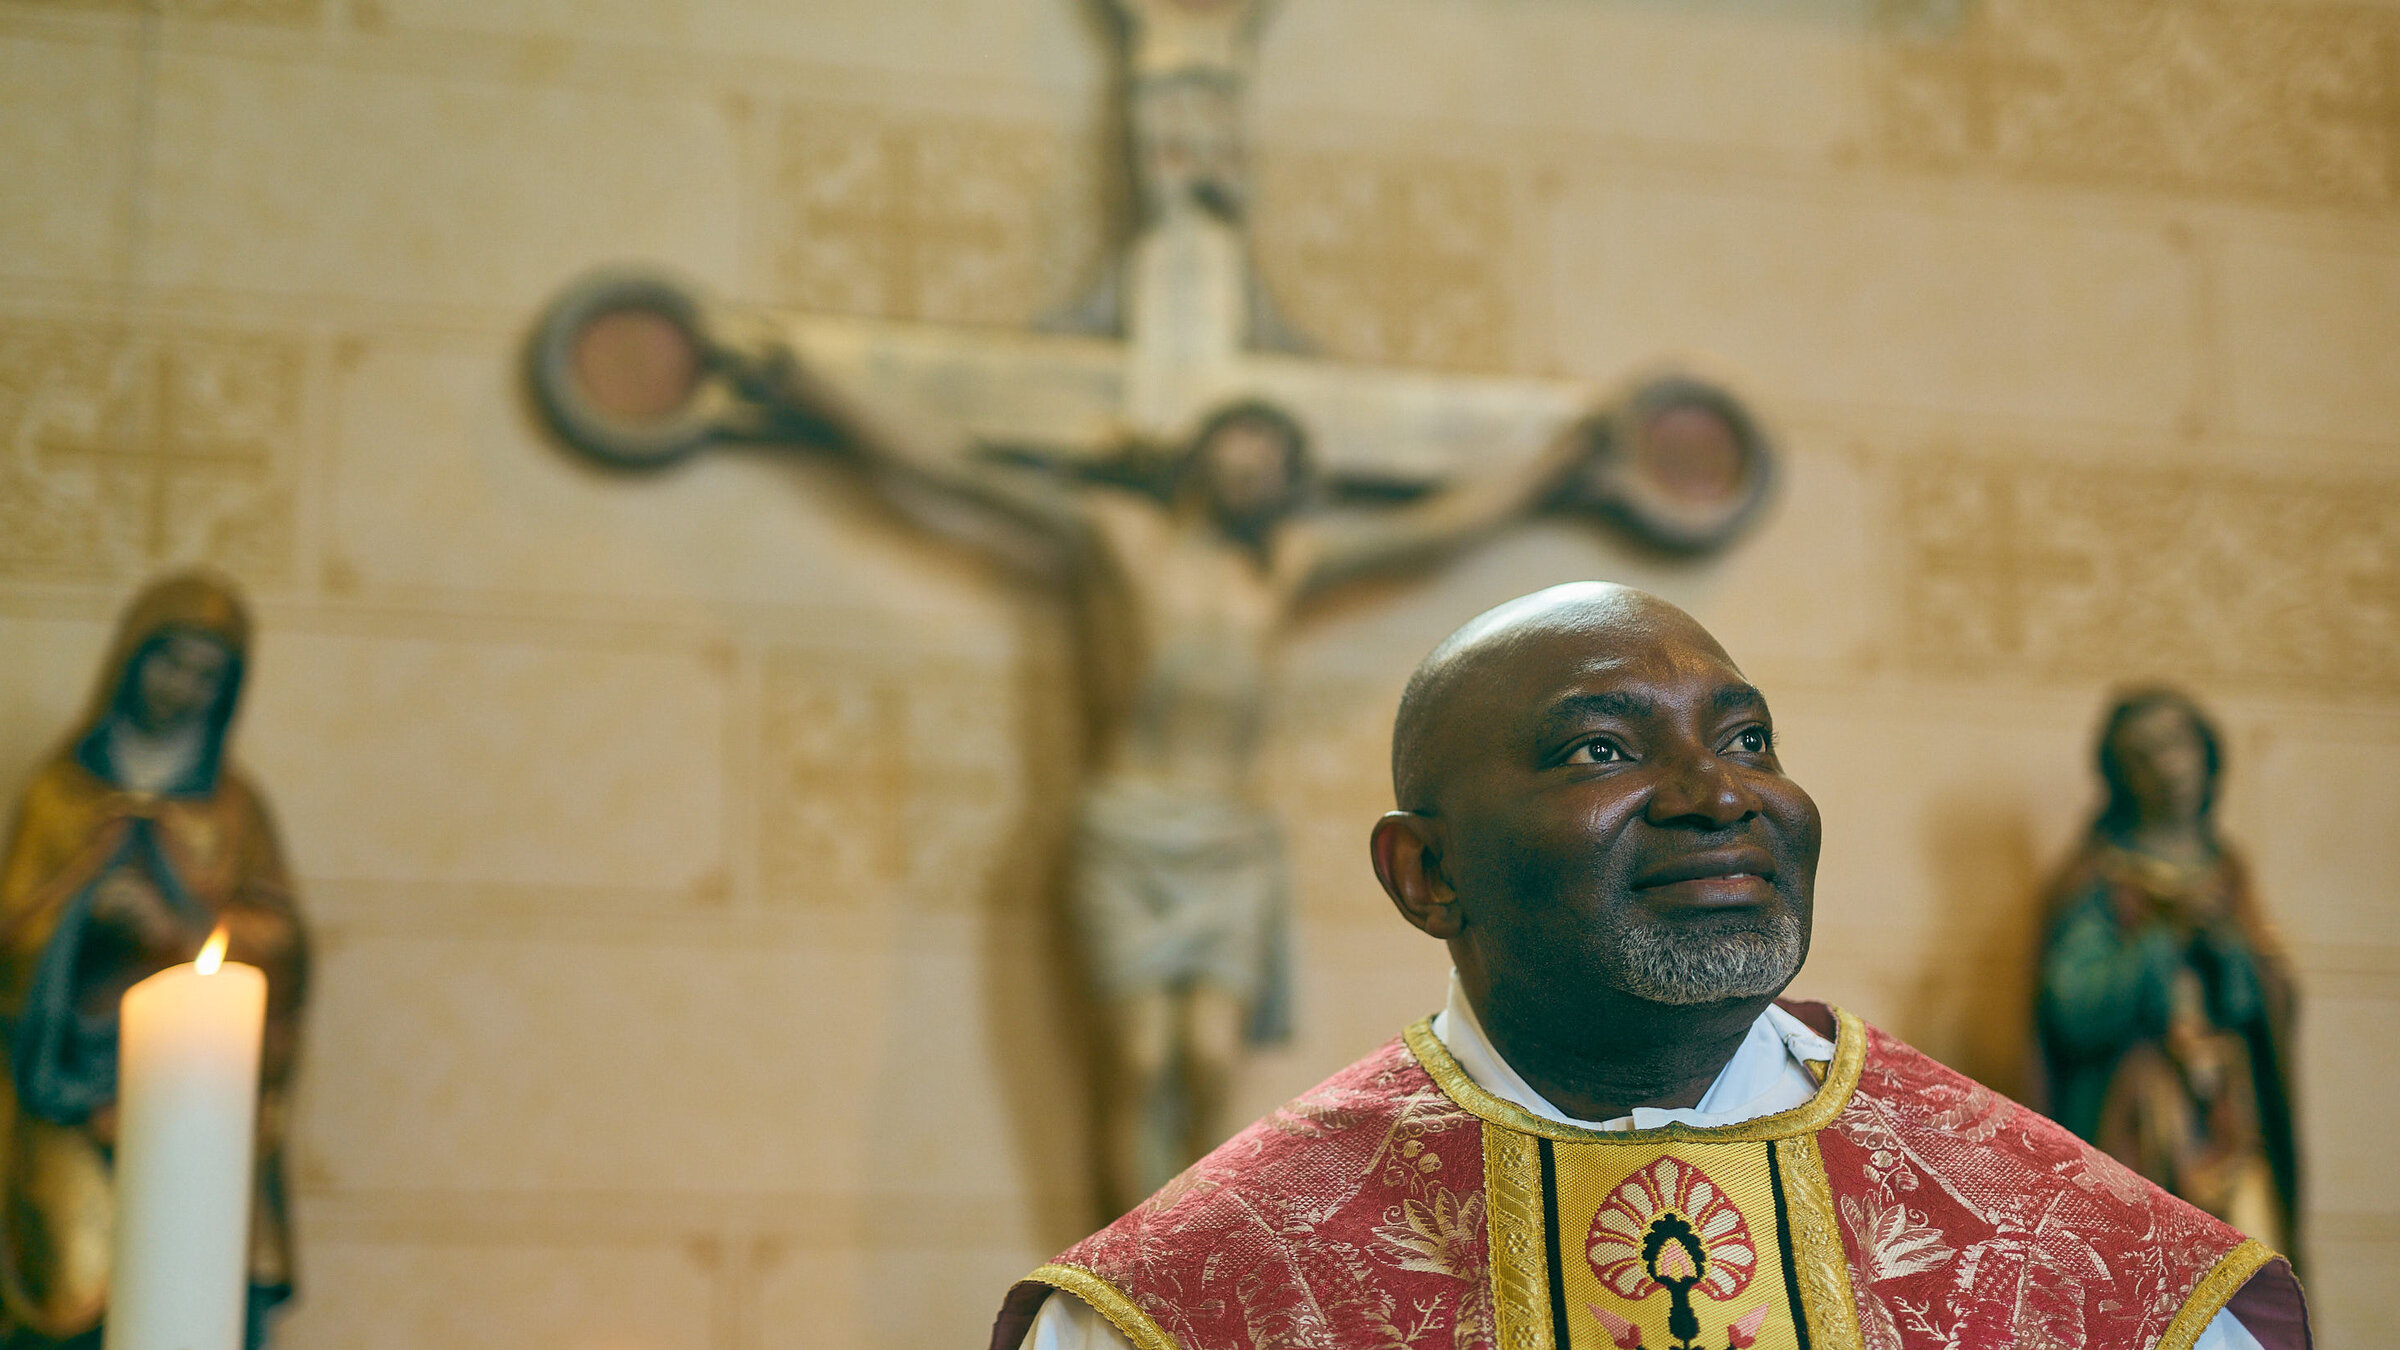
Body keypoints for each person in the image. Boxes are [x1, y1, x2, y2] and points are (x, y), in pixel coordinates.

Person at [991, 583, 2306, 1350]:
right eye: (1601, 751)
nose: (1717, 795)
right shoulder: (1188, 1306)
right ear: (1424, 875)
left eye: (1747, 738)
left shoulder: (2087, 1263)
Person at [777, 350, 1599, 1213]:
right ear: (1197, 452)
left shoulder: (1281, 563)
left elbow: (1437, 530)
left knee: (1208, 1060)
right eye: (1242, 442)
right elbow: (949, 475)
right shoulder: (1117, 536)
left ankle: (1188, 1269)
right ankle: (1127, 1275)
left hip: (1228, 841)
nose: (1256, 465)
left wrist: (1556, 463)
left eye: (1277, 458)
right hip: (1127, 826)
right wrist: (817, 389)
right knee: (1135, 1061)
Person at [0, 571, 308, 1350]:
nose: (184, 688)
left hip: (196, 1093)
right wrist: (88, 913)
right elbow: (15, 936)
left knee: (196, 1274)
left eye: (208, 676)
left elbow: (281, 942)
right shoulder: (60, 795)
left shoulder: (236, 809)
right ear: (131, 660)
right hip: (69, 1085)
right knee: (70, 1296)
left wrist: (178, 924)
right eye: (170, 663)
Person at [2038, 689, 2298, 1259]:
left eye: (2177, 744)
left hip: (2229, 1114)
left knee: (2249, 1276)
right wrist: (2160, 944)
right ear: (2118, 774)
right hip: (2141, 1117)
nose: (2167, 767)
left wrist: (2227, 952)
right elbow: (2072, 1006)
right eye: (2143, 754)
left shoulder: (2229, 873)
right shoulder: (2099, 880)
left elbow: (2271, 997)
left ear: (2207, 754)